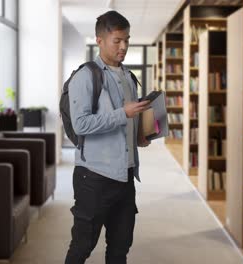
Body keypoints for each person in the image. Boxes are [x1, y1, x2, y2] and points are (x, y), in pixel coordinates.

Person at [65, 10, 151, 264]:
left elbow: (126, 121)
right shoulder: (85, 76)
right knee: (82, 247)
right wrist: (121, 114)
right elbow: (81, 124)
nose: (123, 46)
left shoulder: (128, 76)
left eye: (127, 40)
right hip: (93, 177)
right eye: (117, 41)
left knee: (120, 247)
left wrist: (138, 137)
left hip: (125, 176)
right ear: (100, 40)